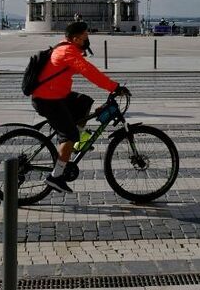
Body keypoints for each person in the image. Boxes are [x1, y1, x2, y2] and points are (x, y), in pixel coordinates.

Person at [31, 21, 129, 193]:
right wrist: (114, 87)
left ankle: (76, 142)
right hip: (48, 99)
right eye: (85, 36)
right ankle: (56, 176)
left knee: (84, 101)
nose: (88, 39)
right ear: (76, 39)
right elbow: (89, 71)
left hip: (56, 95)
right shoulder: (68, 52)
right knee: (69, 134)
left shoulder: (67, 48)